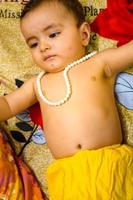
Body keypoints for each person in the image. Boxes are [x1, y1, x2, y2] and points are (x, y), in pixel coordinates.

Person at [0, 0, 133, 199]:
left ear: (84, 34)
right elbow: (9, 104)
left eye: (53, 34)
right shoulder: (37, 84)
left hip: (110, 165)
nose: (43, 47)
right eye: (34, 43)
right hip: (68, 176)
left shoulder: (99, 63)